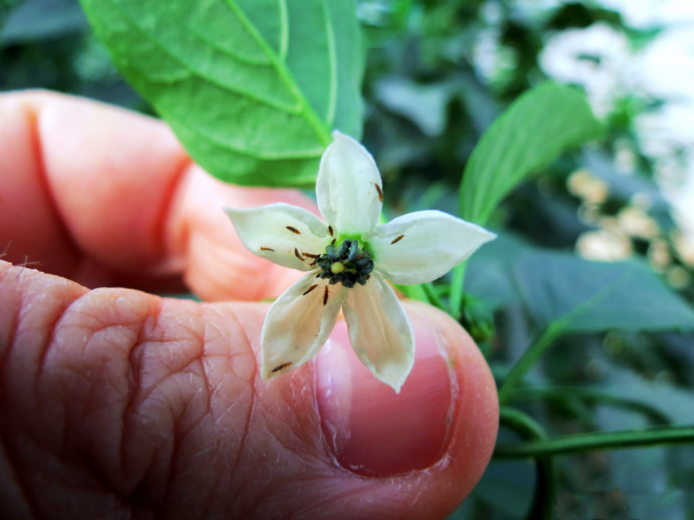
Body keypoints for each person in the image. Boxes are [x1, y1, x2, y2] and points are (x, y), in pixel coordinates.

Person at [0, 90, 498, 520]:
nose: (347, 258)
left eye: (350, 255)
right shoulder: (335, 259)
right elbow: (326, 179)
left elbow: (391, 340)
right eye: (346, 253)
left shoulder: (359, 265)